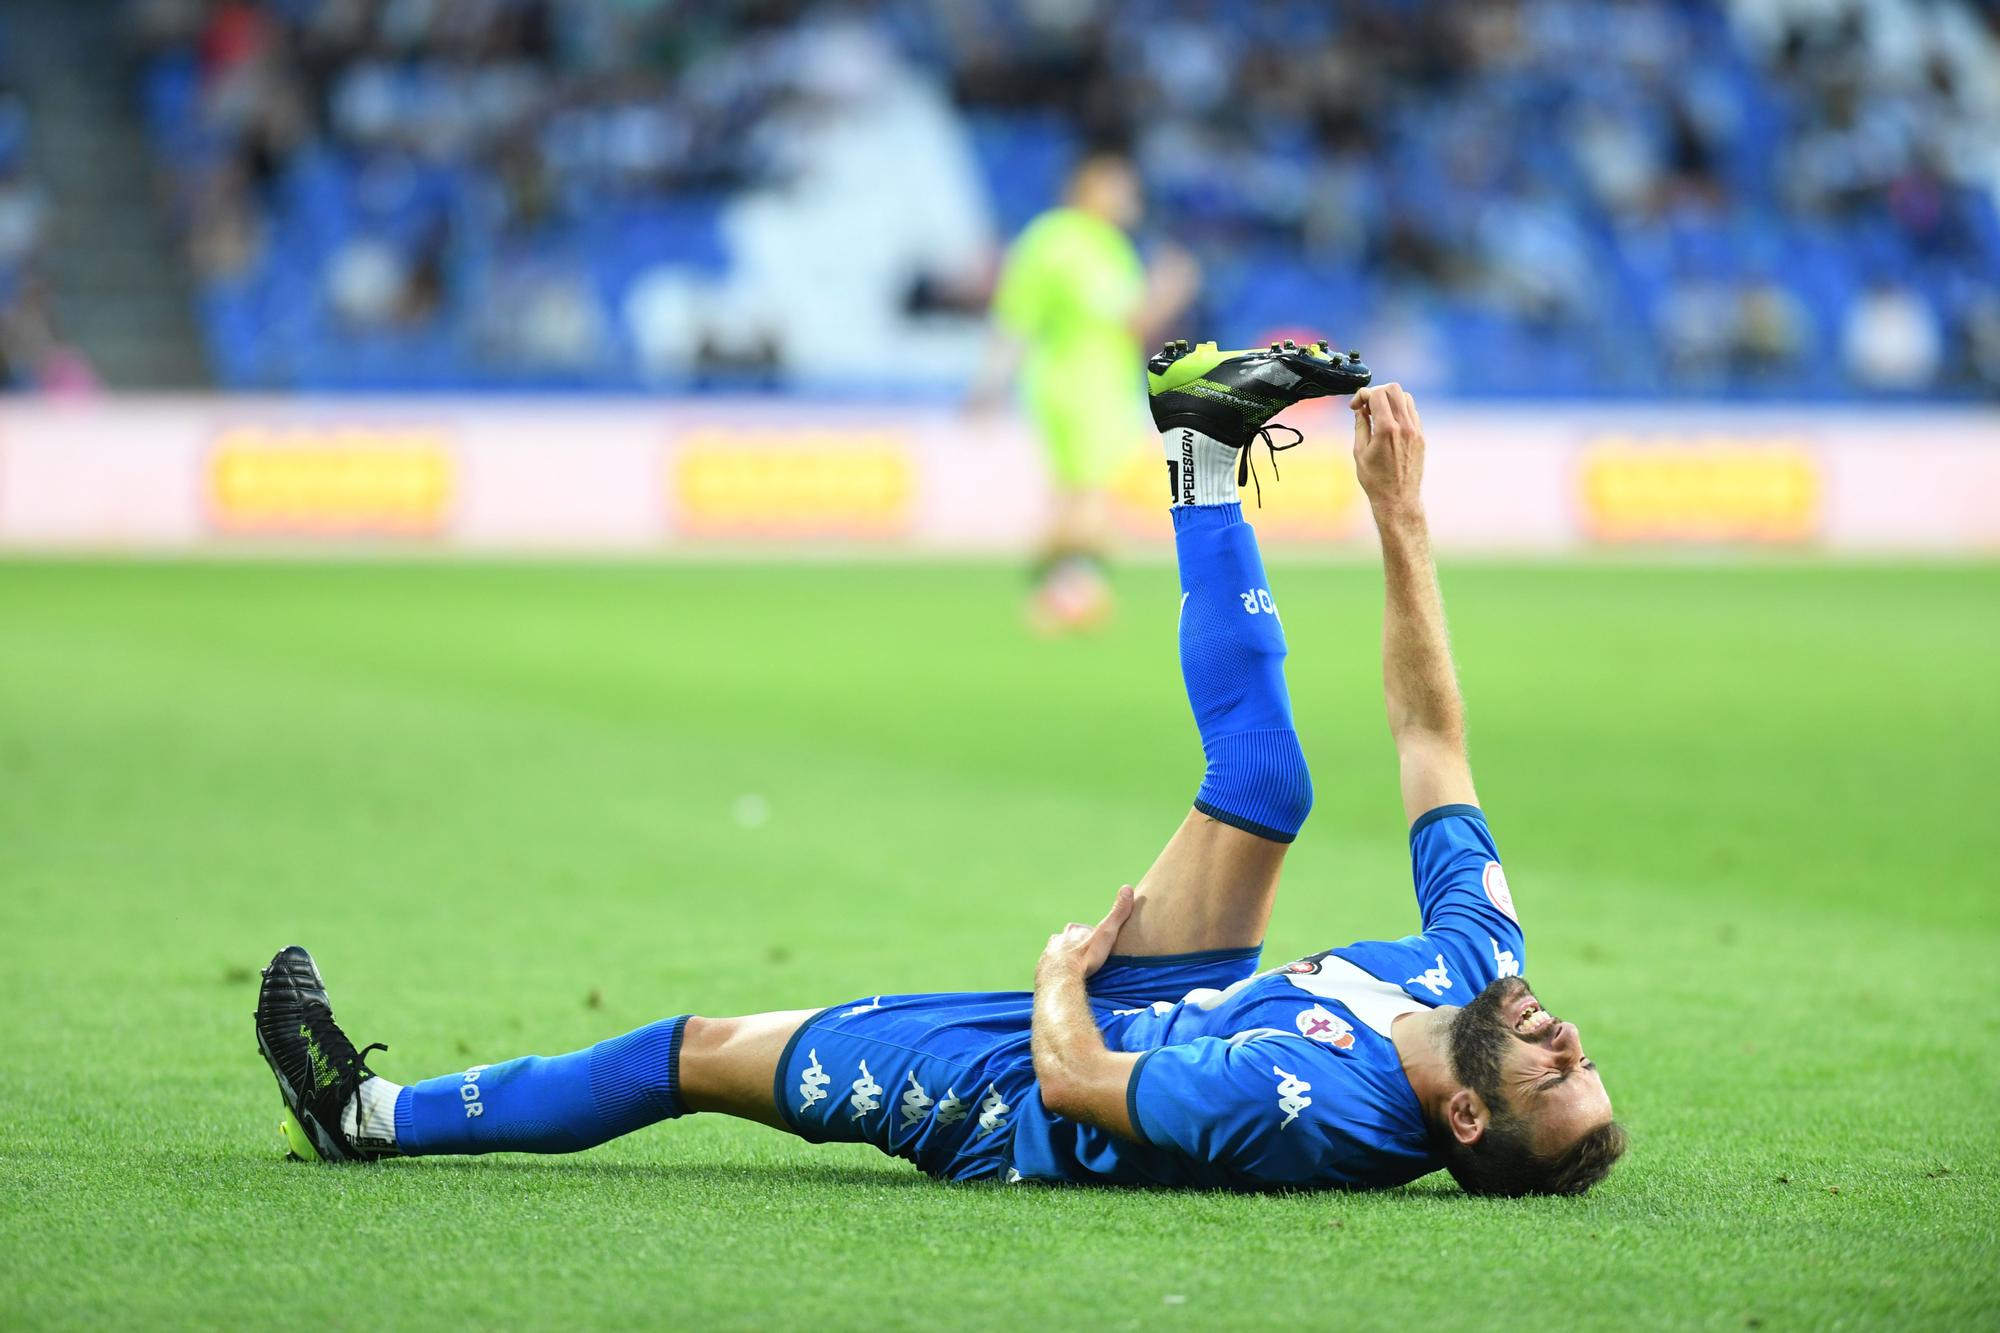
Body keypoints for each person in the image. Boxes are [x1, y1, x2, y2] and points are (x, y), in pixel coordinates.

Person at [256, 339, 1626, 1195]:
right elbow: (1432, 737)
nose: (1570, 1040)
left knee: (698, 1053)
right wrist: (1402, 519)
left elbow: (1086, 1082)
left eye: (1558, 1081)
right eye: (1579, 1061)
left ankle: (373, 1117)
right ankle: (1203, 446)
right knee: (1271, 787)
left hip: (1028, 1084)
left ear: (1460, 1112)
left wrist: (1059, 971)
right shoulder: (1472, 976)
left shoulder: (1307, 1113)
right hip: (1190, 996)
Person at [971, 151, 1199, 632]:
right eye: (1119, 189)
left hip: (1079, 382)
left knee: (1072, 498)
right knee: (1091, 500)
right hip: (1083, 386)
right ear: (1090, 189)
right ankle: (1063, 591)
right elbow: (1129, 320)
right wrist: (1171, 290)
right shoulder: (1073, 244)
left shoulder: (1082, 242)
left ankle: (1058, 591)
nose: (1129, 200)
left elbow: (1016, 315)